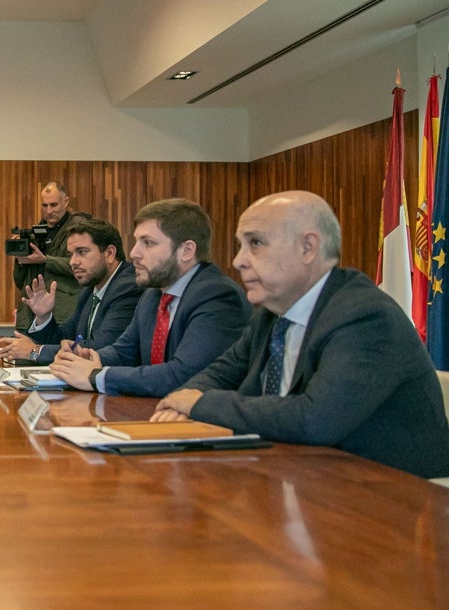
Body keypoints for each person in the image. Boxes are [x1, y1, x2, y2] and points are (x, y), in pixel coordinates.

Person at [153, 191, 449, 478]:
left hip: (394, 499)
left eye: (255, 243)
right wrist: (182, 400)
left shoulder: (365, 317)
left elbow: (315, 418)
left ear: (308, 248)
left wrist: (198, 404)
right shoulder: (272, 314)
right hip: (302, 478)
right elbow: (219, 374)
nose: (238, 261)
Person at [48, 198, 251, 396]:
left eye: (148, 243)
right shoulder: (153, 294)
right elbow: (124, 351)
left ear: (186, 250)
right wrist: (88, 358)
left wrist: (96, 376)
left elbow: (183, 375)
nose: (134, 253)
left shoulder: (218, 296)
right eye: (137, 242)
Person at [0, 218, 143, 364]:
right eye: (71, 255)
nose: (73, 262)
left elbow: (100, 348)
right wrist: (44, 317)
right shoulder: (90, 290)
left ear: (110, 253)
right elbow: (65, 338)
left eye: (82, 252)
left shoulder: (128, 287)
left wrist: (36, 351)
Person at [10, 182, 89, 328]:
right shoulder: (35, 234)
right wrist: (20, 259)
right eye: (44, 206)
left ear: (66, 202)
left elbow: (85, 266)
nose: (49, 210)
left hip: (62, 315)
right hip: (29, 316)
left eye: (53, 205)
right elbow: (19, 282)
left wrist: (46, 260)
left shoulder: (79, 229)